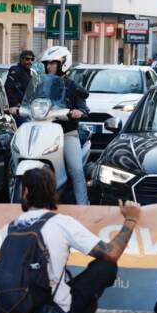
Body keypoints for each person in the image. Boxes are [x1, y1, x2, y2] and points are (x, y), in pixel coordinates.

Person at [0, 168, 141, 313]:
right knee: (106, 266)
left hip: (10, 310)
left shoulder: (10, 227)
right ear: (53, 191)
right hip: (51, 311)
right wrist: (131, 219)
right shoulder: (61, 223)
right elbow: (112, 253)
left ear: (25, 192)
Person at [41, 46, 91, 205]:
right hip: (45, 134)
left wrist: (79, 112)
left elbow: (84, 109)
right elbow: (30, 101)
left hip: (67, 133)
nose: (48, 67)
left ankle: (84, 206)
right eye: (47, 64)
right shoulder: (42, 84)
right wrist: (18, 107)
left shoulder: (72, 86)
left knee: (76, 170)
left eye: (52, 63)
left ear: (63, 64)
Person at [5, 50, 35, 124]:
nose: (30, 61)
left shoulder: (28, 73)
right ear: (21, 59)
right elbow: (8, 89)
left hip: (27, 110)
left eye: (32, 59)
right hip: (17, 111)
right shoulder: (15, 70)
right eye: (27, 59)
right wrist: (16, 104)